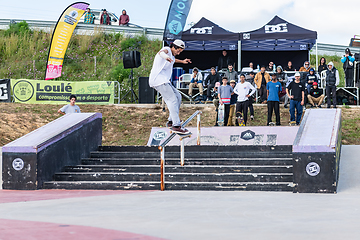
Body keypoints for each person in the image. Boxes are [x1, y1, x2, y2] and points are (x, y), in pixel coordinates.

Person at [148, 39, 191, 134]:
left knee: (178, 96)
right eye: (178, 51)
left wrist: (183, 61)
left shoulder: (172, 55)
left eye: (180, 52)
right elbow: (161, 53)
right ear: (174, 47)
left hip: (164, 81)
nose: (178, 53)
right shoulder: (167, 49)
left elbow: (174, 60)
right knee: (172, 100)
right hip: (158, 80)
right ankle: (176, 125)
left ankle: (171, 121)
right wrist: (165, 57)